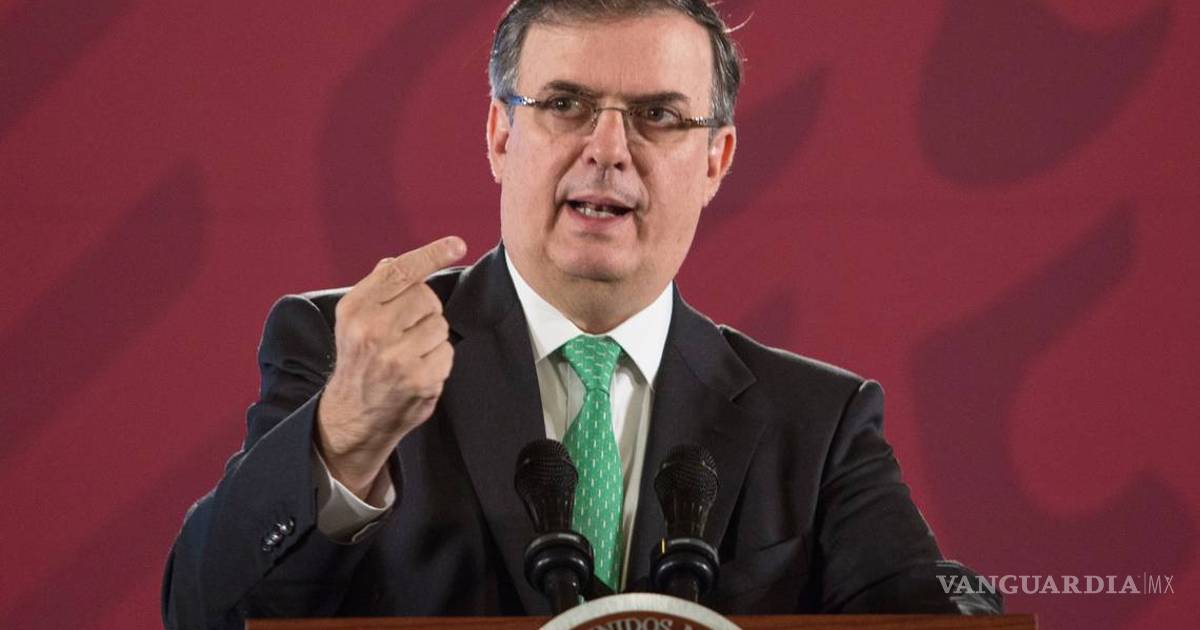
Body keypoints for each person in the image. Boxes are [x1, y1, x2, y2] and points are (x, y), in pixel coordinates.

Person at [163, 1, 1000, 627]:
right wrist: (343, 440)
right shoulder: (346, 351)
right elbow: (204, 614)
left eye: (658, 115)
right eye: (565, 105)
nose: (607, 150)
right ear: (500, 135)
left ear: (716, 160)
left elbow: (929, 612)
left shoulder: (817, 422)